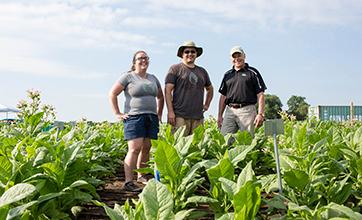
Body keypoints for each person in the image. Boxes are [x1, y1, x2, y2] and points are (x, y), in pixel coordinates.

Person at [109, 51, 164, 192]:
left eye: (146, 58)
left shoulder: (153, 78)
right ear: (134, 62)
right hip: (134, 117)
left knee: (146, 148)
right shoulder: (128, 77)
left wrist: (159, 114)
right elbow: (113, 94)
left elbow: (160, 97)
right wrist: (117, 113)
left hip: (151, 117)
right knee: (134, 149)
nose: (143, 60)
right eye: (140, 58)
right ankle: (128, 181)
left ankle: (141, 175)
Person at [165, 41, 213, 135]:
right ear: (182, 54)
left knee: (197, 146)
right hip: (179, 116)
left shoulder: (202, 71)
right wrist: (170, 112)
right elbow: (167, 91)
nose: (190, 54)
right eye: (187, 52)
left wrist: (207, 104)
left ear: (196, 54)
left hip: (198, 117)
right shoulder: (175, 69)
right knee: (179, 146)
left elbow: (210, 89)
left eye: (193, 52)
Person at [218, 46, 266, 137]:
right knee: (224, 141)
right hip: (230, 111)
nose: (237, 59)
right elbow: (223, 96)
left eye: (239, 55)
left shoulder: (253, 72)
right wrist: (220, 115)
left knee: (247, 141)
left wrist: (260, 114)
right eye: (234, 57)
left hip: (247, 111)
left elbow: (260, 94)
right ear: (231, 59)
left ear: (244, 56)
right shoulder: (227, 74)